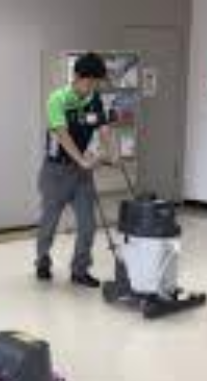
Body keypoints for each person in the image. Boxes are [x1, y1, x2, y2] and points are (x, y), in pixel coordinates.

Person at [35, 52, 118, 288]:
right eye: (89, 82)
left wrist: (111, 152)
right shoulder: (57, 99)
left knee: (88, 225)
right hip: (56, 171)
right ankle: (42, 260)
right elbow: (61, 134)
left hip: (82, 175)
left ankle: (80, 270)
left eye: (96, 83)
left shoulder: (94, 99)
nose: (92, 87)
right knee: (49, 223)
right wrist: (81, 159)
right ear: (77, 76)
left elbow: (103, 129)